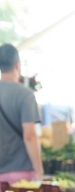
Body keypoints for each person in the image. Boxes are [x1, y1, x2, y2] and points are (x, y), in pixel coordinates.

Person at [0, 43, 43, 184]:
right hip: (20, 174)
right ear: (17, 65)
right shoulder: (25, 95)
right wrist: (39, 171)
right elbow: (29, 136)